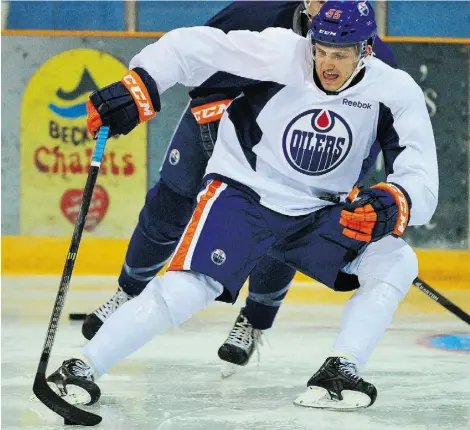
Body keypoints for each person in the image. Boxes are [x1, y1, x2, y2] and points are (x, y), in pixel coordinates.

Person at [47, 1, 437, 410]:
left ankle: (341, 369)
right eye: (320, 49)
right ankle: (83, 366)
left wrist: (396, 202)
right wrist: (140, 86)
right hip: (245, 197)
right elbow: (188, 48)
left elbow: (421, 178)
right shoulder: (280, 52)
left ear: (366, 50)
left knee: (396, 260)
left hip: (318, 213)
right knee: (187, 288)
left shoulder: (395, 91)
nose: (326, 64)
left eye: (339, 55)